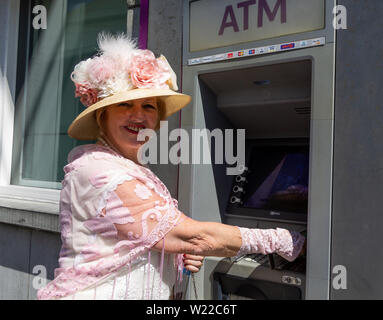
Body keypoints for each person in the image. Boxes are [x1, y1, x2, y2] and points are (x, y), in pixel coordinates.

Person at [37, 32, 305, 300]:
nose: (139, 115)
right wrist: (287, 240)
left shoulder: (128, 167)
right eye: (125, 104)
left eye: (149, 106)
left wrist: (176, 253)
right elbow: (193, 235)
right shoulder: (100, 172)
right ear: (102, 114)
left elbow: (138, 242)